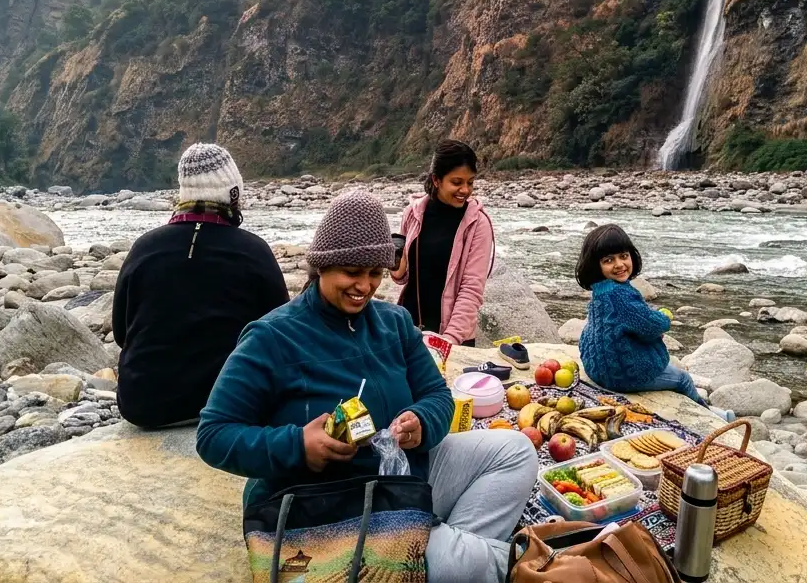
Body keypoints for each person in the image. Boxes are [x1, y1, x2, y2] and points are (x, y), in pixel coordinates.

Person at [197, 190, 538, 583]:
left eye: (375, 273)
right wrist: (298, 445)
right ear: (322, 266)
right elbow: (214, 434)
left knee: (515, 451)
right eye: (352, 272)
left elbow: (438, 396)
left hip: (402, 476)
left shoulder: (395, 323)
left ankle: (432, 549)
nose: (365, 286)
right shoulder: (272, 337)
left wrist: (421, 421)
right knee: (457, 564)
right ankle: (458, 557)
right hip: (325, 504)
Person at [112, 143, 288, 429]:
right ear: (233, 193)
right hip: (231, 402)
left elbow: (121, 333)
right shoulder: (253, 251)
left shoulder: (144, 248)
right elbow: (281, 332)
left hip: (144, 405)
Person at [576, 223, 732, 419]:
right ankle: (713, 417)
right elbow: (651, 326)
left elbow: (626, 322)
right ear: (596, 265)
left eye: (623, 256)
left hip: (597, 369)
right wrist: (664, 318)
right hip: (621, 375)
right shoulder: (620, 295)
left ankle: (707, 410)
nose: (619, 264)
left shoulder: (601, 290)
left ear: (631, 256)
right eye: (609, 260)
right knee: (683, 379)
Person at [394, 140, 494, 346]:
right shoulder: (413, 213)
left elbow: (471, 289)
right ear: (436, 179)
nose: (465, 190)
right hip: (409, 329)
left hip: (453, 337)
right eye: (457, 182)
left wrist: (449, 340)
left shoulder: (478, 224)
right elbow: (403, 277)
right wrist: (394, 264)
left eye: (470, 182)